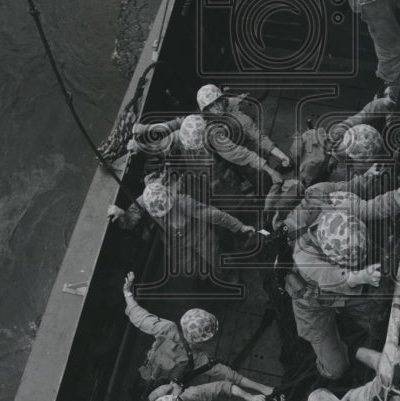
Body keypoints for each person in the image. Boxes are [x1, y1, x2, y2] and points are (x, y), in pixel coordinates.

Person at [284, 184, 400, 380]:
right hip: (312, 302)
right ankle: (345, 350)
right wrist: (359, 277)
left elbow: (371, 208)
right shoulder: (304, 256)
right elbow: (328, 278)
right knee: (336, 369)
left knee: (378, 322)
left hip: (345, 288)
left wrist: (399, 196)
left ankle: (348, 319)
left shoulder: (339, 205)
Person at [122, 271, 274, 396]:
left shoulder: (167, 329)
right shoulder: (199, 359)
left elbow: (139, 316)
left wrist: (127, 293)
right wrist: (264, 389)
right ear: (204, 340)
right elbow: (232, 376)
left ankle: (139, 392)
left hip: (148, 374)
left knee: (143, 388)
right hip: (166, 391)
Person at [108, 176, 255, 278]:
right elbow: (130, 221)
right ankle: (203, 274)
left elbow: (214, 215)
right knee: (188, 269)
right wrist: (122, 214)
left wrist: (240, 227)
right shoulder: (143, 202)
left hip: (197, 233)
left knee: (214, 256)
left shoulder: (184, 202)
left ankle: (227, 272)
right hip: (174, 240)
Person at [133, 85, 290, 171]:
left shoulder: (242, 119)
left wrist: (281, 157)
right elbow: (178, 124)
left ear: (222, 100)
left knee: (255, 174)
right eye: (210, 106)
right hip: (223, 149)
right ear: (205, 109)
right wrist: (147, 128)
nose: (216, 108)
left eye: (218, 102)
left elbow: (259, 139)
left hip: (242, 150)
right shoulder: (205, 117)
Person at [128, 113, 285, 194]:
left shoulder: (216, 140)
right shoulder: (190, 126)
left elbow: (244, 154)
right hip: (202, 177)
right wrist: (143, 139)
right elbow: (171, 132)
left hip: (223, 183)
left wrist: (271, 172)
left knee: (236, 207)